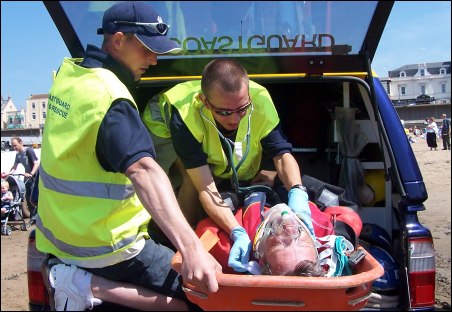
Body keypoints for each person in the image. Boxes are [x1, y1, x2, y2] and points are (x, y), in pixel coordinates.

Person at [36, 2, 219, 311]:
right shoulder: (111, 97)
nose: (155, 59)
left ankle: (81, 281)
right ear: (118, 40)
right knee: (204, 298)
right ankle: (88, 286)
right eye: (148, 48)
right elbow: (144, 170)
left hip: (59, 238)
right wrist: (191, 248)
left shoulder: (69, 76)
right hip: (106, 247)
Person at [142, 58, 312, 273]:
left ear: (248, 95)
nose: (234, 119)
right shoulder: (184, 116)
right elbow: (205, 186)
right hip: (162, 128)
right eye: (224, 112)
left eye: (242, 109)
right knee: (189, 181)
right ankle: (181, 242)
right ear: (204, 101)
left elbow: (281, 154)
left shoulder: (260, 101)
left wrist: (298, 192)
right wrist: (236, 231)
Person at [195, 191, 361, 276]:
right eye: (301, 241)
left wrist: (235, 231)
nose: (290, 228)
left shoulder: (230, 251)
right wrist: (345, 241)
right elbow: (351, 217)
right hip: (293, 191)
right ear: (317, 249)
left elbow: (202, 229)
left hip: (247, 195)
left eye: (280, 243)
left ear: (261, 259)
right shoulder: (323, 230)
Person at [1, 137, 40, 219]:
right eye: (13, 146)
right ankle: (33, 217)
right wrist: (7, 174)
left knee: (35, 198)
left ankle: (40, 216)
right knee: (29, 199)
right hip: (27, 178)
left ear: (20, 142)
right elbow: (14, 167)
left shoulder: (28, 151)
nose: (14, 148)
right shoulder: (18, 154)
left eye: (15, 145)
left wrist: (31, 173)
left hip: (34, 177)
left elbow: (36, 163)